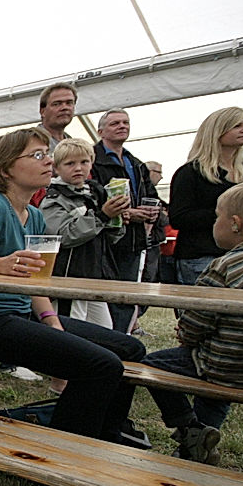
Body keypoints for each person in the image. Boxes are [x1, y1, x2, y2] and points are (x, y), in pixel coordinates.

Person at [0, 128, 147, 446]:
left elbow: (37, 279)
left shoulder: (33, 215)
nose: (49, 160)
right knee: (101, 365)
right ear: (5, 169)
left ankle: (107, 434)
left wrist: (52, 321)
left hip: (20, 314)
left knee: (130, 349)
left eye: (47, 153)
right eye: (37, 155)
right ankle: (68, 453)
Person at [142, 180, 243, 464]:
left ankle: (190, 429)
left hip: (227, 365)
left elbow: (198, 319)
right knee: (216, 382)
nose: (215, 223)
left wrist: (186, 335)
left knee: (150, 366)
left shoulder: (224, 266)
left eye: (218, 217)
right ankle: (197, 445)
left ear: (236, 224)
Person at [38, 138, 128, 328]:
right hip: (68, 278)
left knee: (105, 330)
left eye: (84, 162)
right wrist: (102, 216)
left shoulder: (96, 192)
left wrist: (116, 220)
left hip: (95, 276)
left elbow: (111, 238)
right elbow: (63, 236)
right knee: (73, 330)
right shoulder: (54, 198)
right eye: (70, 163)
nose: (78, 168)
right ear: (57, 168)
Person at [90, 109, 160, 333]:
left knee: (128, 295)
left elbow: (151, 194)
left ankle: (122, 338)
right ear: (101, 131)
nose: (122, 126)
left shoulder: (136, 163)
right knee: (105, 296)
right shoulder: (92, 160)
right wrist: (128, 211)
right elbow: (92, 196)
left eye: (125, 122)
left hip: (133, 240)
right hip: (105, 240)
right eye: (115, 123)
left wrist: (153, 211)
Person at [169, 107, 243, 285]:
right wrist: (224, 214)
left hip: (241, 257)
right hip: (201, 258)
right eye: (237, 125)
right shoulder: (191, 173)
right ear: (217, 131)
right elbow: (178, 217)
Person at [38, 82, 77, 149]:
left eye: (69, 103)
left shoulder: (73, 143)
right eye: (56, 104)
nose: (64, 107)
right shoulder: (32, 142)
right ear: (42, 111)